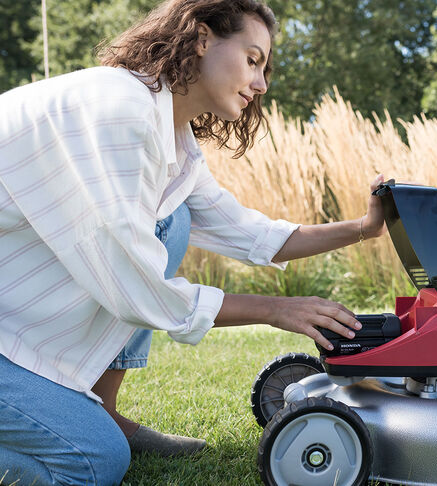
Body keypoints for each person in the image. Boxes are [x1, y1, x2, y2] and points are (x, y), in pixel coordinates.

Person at [0, 0, 386, 484]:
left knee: (173, 221)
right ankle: (95, 427)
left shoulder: (172, 136)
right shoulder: (118, 110)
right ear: (202, 39)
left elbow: (249, 231)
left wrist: (361, 229)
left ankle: (106, 409)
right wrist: (275, 309)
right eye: (252, 59)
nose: (262, 83)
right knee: (94, 462)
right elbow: (133, 282)